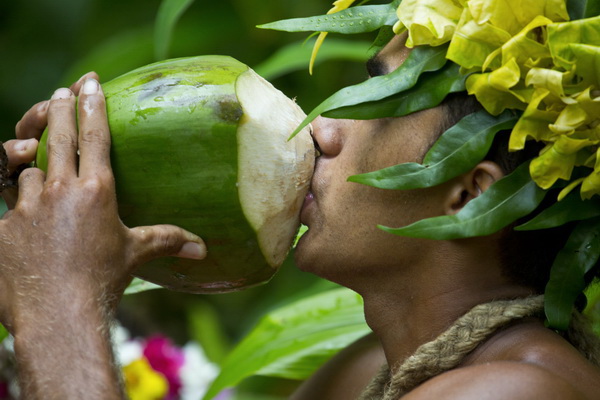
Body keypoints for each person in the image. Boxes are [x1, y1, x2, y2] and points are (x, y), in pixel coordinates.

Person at [3, 1, 600, 400]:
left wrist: (58, 303)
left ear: (470, 194)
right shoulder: (368, 372)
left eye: (378, 103)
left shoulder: (516, 392)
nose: (322, 126)